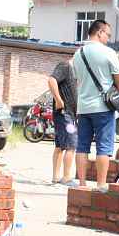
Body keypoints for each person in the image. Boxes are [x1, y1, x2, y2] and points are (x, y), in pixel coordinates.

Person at [72, 20, 119, 191]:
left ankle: (82, 184)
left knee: (82, 146)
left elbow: (78, 80)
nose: (108, 38)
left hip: (83, 107)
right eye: (108, 35)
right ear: (100, 32)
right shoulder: (108, 52)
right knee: (104, 147)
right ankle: (101, 184)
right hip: (103, 108)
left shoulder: (77, 54)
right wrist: (114, 93)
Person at [46, 58, 79, 186]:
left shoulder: (73, 71)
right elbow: (51, 80)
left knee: (60, 146)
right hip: (65, 115)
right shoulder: (65, 66)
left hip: (66, 115)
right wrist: (59, 100)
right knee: (71, 145)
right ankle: (66, 177)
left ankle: (55, 177)